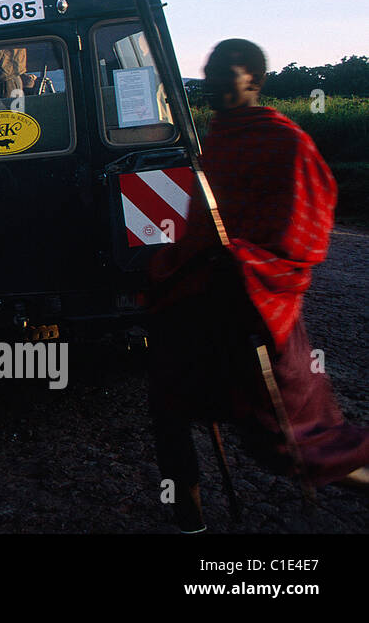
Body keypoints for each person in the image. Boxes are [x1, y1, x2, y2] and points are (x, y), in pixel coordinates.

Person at [148, 38, 369, 532]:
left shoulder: (286, 140)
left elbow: (307, 230)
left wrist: (245, 262)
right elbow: (202, 223)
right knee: (169, 409)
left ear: (257, 79)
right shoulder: (218, 138)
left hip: (257, 306)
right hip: (201, 300)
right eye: (212, 70)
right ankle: (190, 524)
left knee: (291, 445)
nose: (219, 79)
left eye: (232, 69)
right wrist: (176, 265)